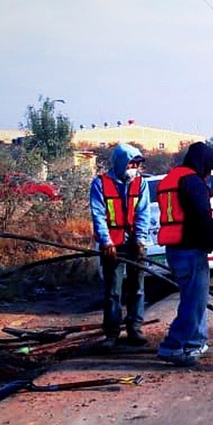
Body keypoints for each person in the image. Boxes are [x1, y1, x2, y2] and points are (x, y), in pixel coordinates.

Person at [155, 142, 213, 366]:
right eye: (208, 168)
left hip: (174, 248)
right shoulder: (193, 182)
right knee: (193, 302)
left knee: (195, 299)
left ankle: (197, 343)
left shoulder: (171, 178)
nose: (208, 174)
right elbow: (202, 217)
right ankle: (173, 346)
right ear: (202, 162)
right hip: (189, 250)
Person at [89, 143, 151, 349]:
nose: (133, 168)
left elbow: (143, 212)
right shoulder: (100, 184)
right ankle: (112, 333)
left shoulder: (140, 183)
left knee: (137, 288)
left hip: (135, 242)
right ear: (120, 163)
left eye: (136, 165)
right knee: (113, 291)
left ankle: (135, 328)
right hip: (112, 244)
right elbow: (98, 214)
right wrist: (106, 242)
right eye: (130, 164)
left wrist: (141, 240)